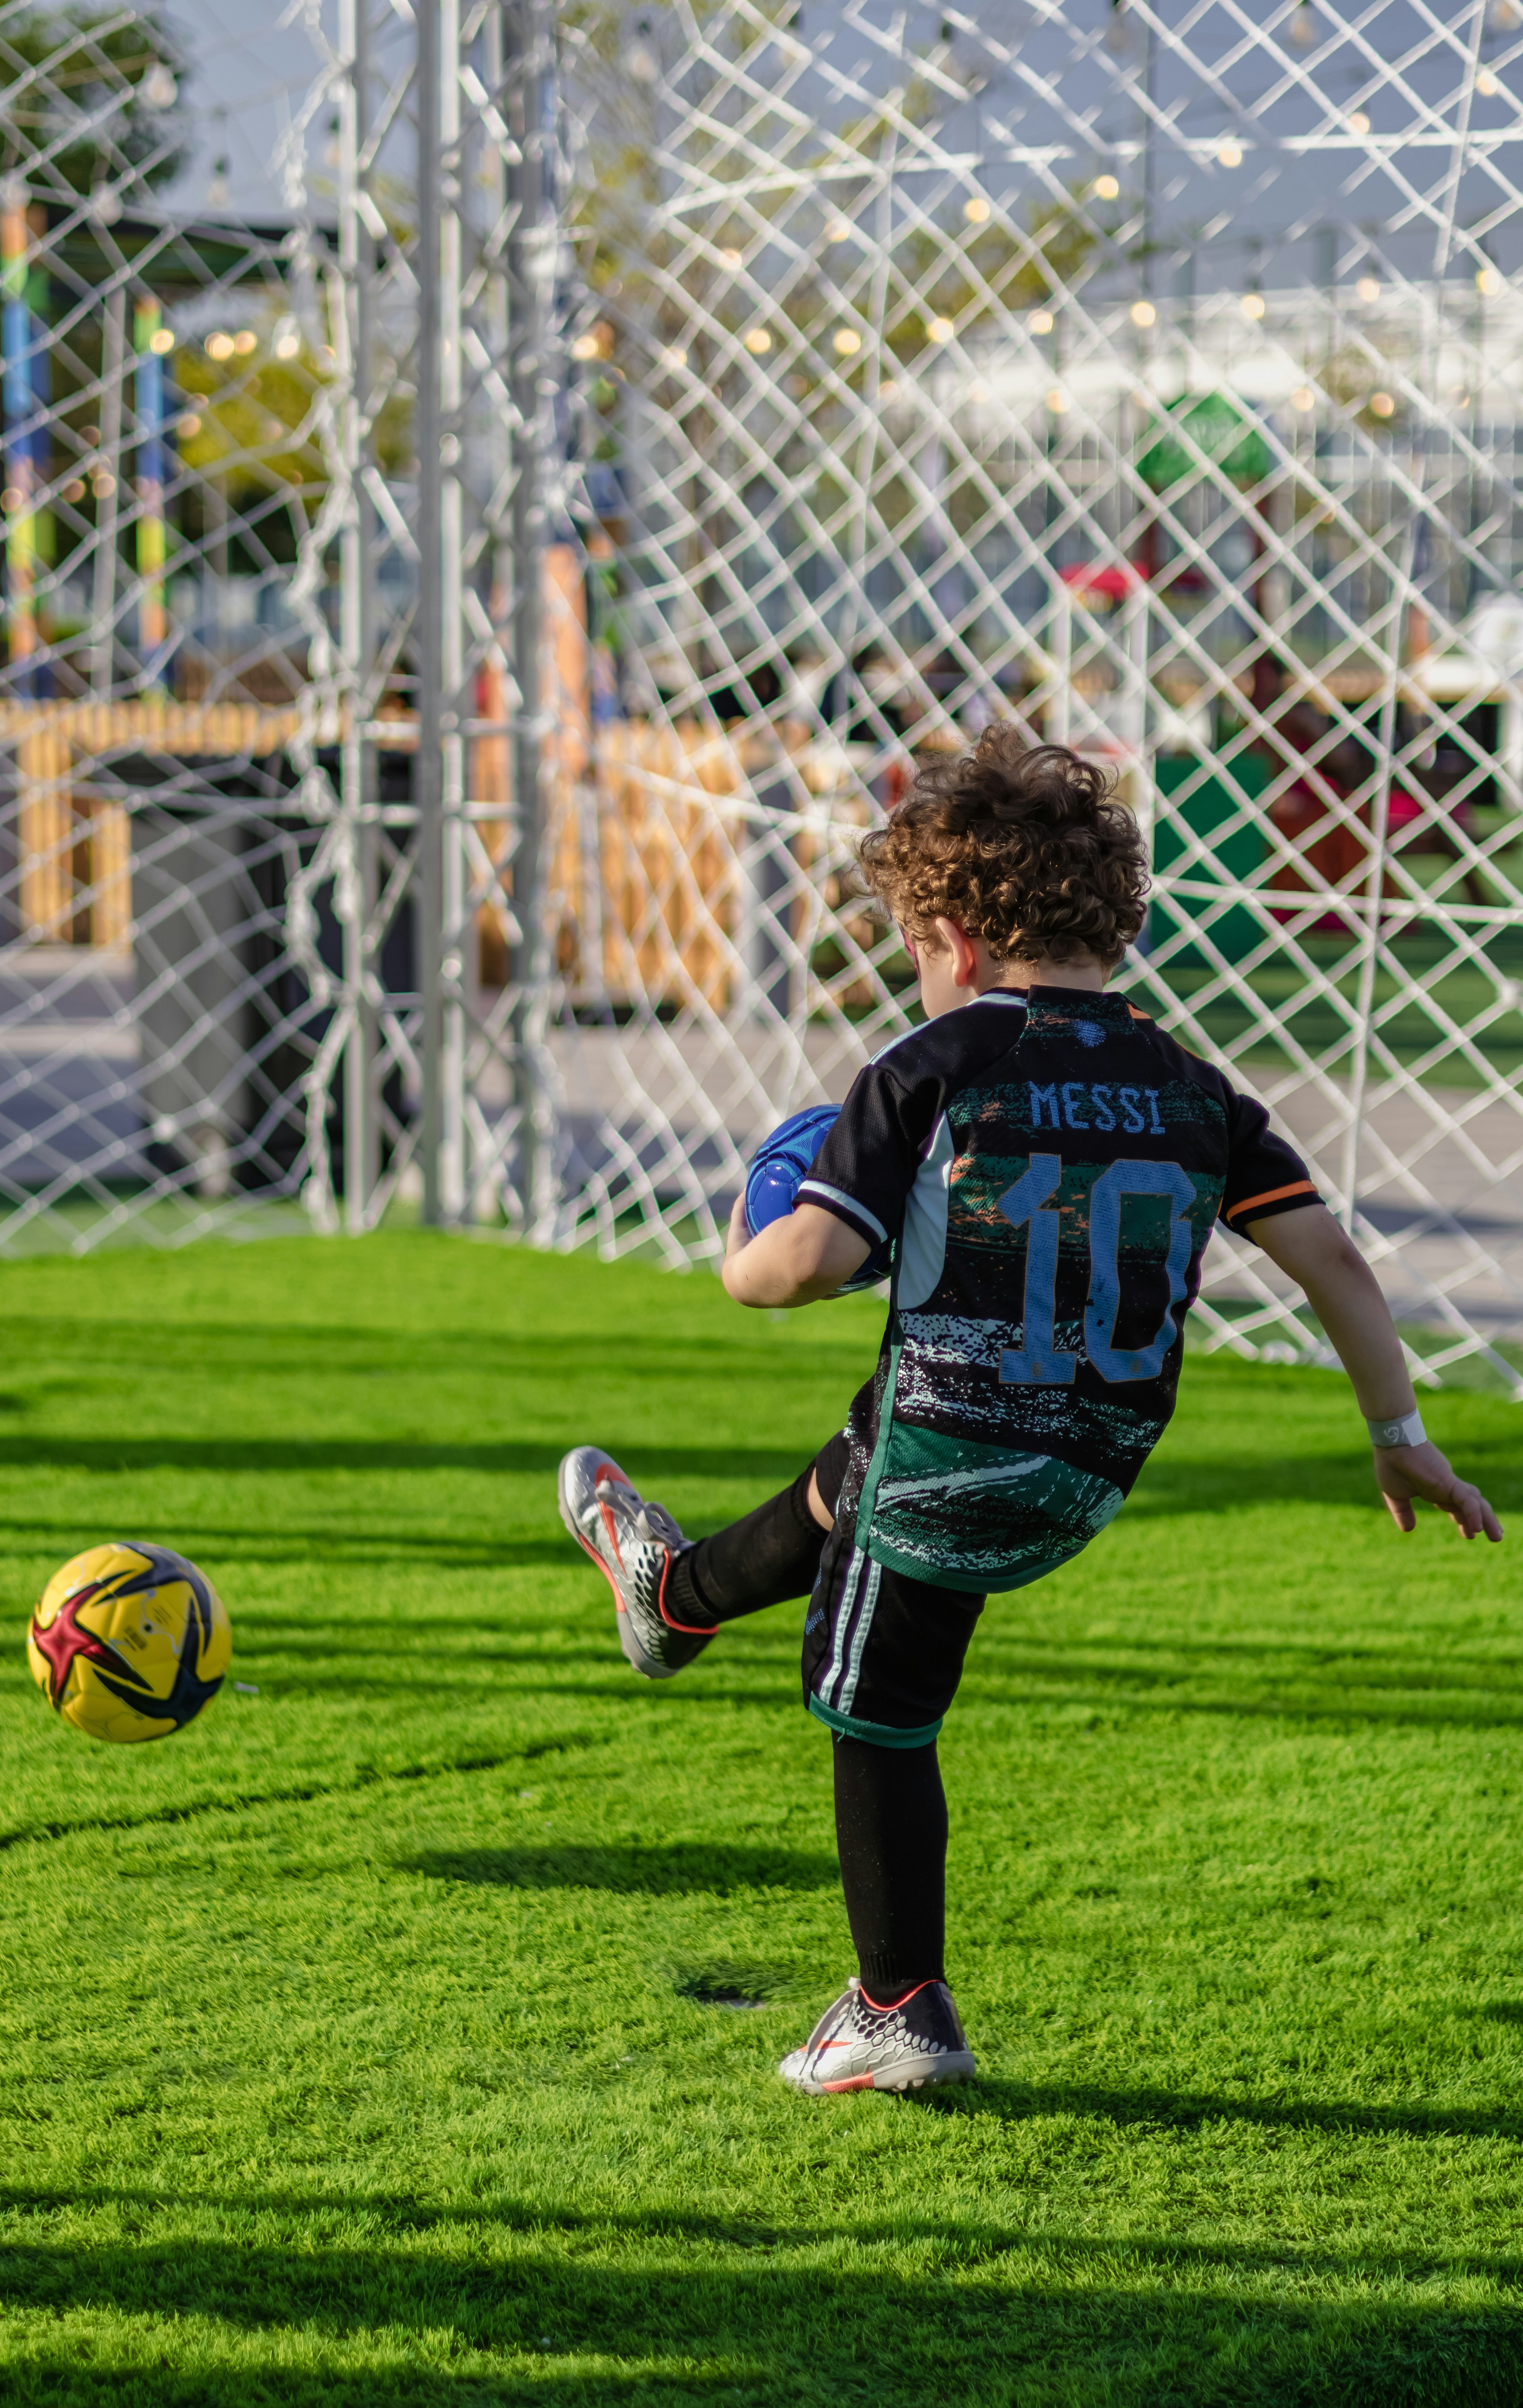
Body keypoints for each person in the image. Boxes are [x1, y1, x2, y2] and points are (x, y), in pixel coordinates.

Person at [557, 728, 1502, 2097]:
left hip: (949, 1457)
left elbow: (799, 1270)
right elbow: (1337, 1266)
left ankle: (897, 2011)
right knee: (863, 1461)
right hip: (1093, 1471)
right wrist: (1398, 1435)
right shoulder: (1194, 1085)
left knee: (877, 1706)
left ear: (950, 932)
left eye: (909, 945)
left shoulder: (930, 1068)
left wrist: (750, 1230)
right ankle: (676, 1596)